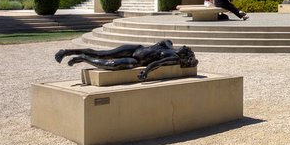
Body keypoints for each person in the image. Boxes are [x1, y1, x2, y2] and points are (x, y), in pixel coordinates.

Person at [54, 40, 198, 81]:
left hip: (136, 61)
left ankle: (83, 58)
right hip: (136, 48)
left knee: (110, 65)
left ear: (185, 56)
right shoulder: (169, 43)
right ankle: (66, 52)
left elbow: (157, 64)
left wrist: (145, 72)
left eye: (187, 50)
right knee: (103, 53)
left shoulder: (174, 57)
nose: (185, 47)